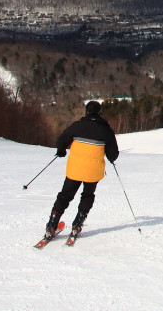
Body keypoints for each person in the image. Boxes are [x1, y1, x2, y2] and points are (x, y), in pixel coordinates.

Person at [43, 100, 119, 239]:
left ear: (86, 112)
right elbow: (113, 154)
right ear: (100, 113)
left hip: (75, 169)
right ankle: (77, 224)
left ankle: (52, 224)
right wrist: (110, 158)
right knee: (88, 196)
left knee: (64, 196)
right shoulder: (106, 130)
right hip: (93, 171)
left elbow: (62, 140)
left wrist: (61, 150)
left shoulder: (77, 126)